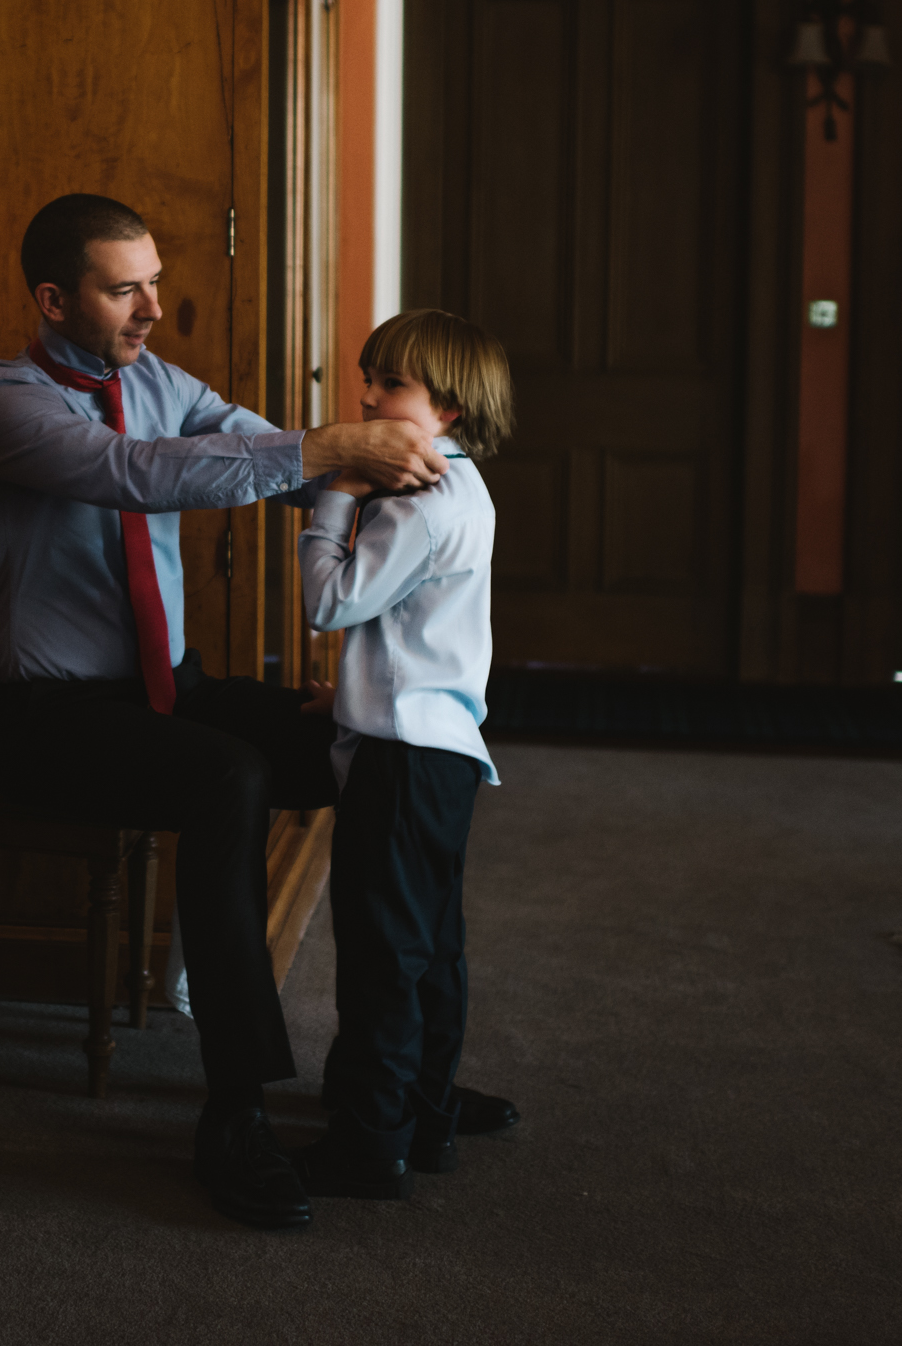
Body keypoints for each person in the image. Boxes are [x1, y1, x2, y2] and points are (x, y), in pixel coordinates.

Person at [0, 193, 447, 1231]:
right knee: (227, 775)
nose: (152, 309)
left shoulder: (163, 383)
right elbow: (137, 477)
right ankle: (234, 1113)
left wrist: (396, 469)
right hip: (51, 718)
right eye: (123, 286)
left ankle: (394, 1076)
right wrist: (323, 451)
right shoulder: (5, 405)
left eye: (154, 280)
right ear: (55, 299)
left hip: (167, 688)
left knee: (377, 746)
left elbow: (267, 463)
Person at [290, 308, 520, 1202]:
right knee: (432, 947)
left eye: (390, 384)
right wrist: (344, 695)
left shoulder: (413, 508)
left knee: (382, 954)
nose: (367, 395)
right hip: (443, 751)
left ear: (449, 411)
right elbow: (417, 631)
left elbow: (331, 603)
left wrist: (336, 493)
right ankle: (422, 1118)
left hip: (399, 760)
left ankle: (369, 1143)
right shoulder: (465, 490)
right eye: (369, 376)